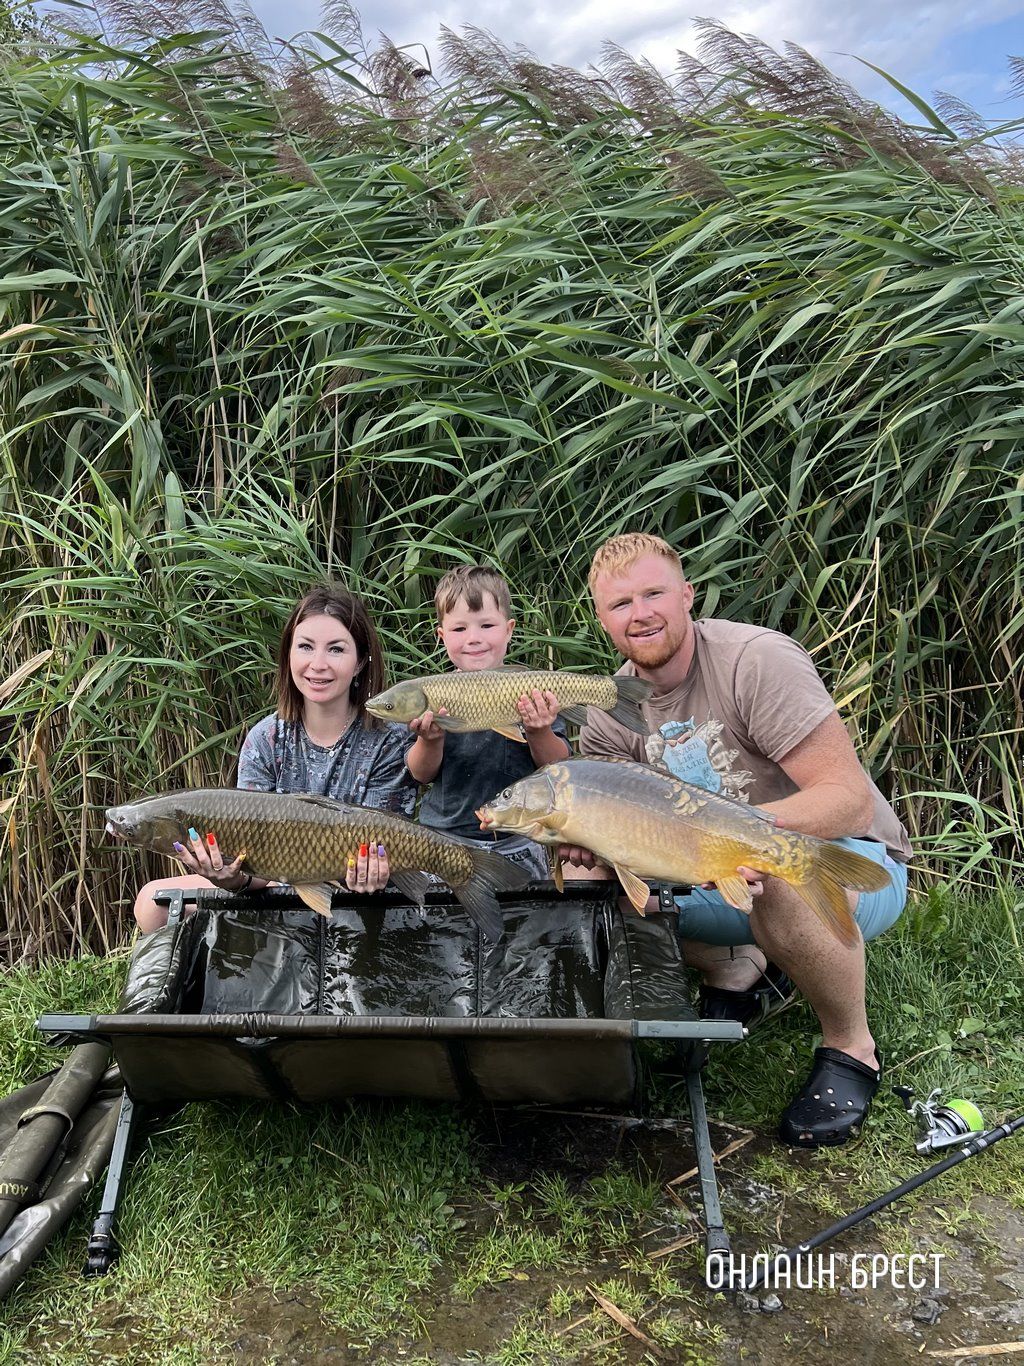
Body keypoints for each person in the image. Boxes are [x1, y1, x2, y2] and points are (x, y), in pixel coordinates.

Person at [564, 533, 911, 1148]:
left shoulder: (753, 660)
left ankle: (851, 1046)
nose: (640, 614)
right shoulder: (610, 711)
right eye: (620, 605)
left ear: (688, 595)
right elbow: (632, 840)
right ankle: (742, 968)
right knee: (591, 888)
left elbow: (848, 798)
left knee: (775, 877)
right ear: (602, 620)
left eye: (654, 594)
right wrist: (593, 846)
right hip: (712, 876)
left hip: (844, 856)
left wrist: (743, 837)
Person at [132, 585, 418, 932]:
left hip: (359, 893)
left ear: (360, 661)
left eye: (336, 649)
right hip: (273, 892)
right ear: (288, 655)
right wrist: (228, 879)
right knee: (152, 904)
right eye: (306, 647)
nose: (318, 664)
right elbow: (255, 873)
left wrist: (372, 874)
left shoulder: (389, 739)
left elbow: (391, 842)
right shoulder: (265, 739)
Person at [405, 564, 571, 881]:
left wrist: (539, 731)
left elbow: (559, 768)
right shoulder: (430, 693)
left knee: (520, 924)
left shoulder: (530, 689)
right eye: (459, 629)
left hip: (518, 840)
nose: (473, 639)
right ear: (441, 636)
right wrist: (430, 741)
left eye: (486, 626)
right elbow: (420, 773)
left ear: (509, 629)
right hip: (443, 838)